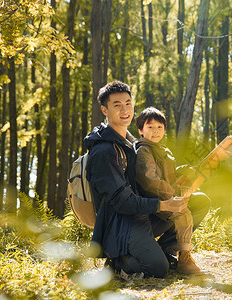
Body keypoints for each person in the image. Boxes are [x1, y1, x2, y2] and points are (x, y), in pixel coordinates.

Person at [84, 81, 209, 278]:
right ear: (104, 110)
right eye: (117, 105)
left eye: (128, 103)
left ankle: (163, 250)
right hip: (120, 223)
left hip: (141, 215)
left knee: (198, 201)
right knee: (158, 269)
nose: (125, 110)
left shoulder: (129, 141)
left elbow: (149, 176)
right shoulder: (104, 151)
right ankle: (119, 261)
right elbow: (122, 202)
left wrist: (178, 178)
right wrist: (163, 205)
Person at [135, 107, 209, 274]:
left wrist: (182, 171)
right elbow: (150, 182)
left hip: (166, 201)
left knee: (202, 200)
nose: (155, 131)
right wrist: (173, 199)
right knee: (181, 210)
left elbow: (168, 176)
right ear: (140, 130)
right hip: (153, 209)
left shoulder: (163, 152)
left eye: (159, 127)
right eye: (150, 127)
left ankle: (166, 248)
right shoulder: (143, 151)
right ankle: (184, 257)